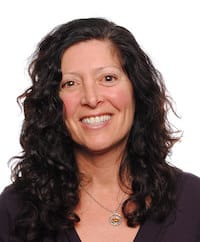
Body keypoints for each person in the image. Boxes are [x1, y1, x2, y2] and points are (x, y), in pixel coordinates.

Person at [0, 17, 199, 242]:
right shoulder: (14, 210)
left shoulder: (193, 201)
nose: (92, 99)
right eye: (71, 83)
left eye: (108, 78)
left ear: (137, 90)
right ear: (52, 102)